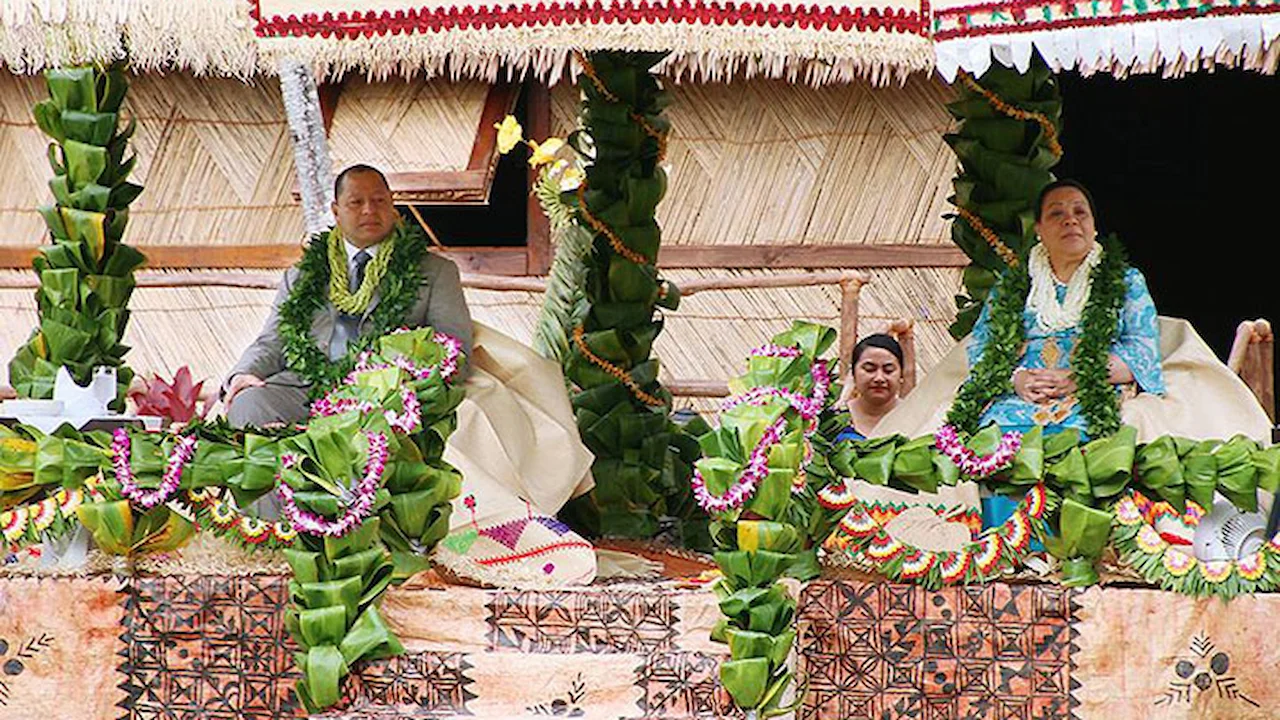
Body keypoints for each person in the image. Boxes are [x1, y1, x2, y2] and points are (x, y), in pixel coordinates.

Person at [222, 165, 473, 428]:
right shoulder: (301, 275)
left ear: (392, 206)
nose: (369, 210)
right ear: (336, 211)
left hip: (384, 395)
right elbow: (272, 341)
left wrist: (401, 380)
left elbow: (455, 351)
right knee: (248, 404)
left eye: (379, 201)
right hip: (305, 387)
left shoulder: (435, 272)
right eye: (356, 202)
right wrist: (244, 373)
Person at [965, 178, 1163, 439]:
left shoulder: (1125, 280)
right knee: (989, 441)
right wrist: (1017, 379)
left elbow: (1143, 352)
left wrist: (1080, 376)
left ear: (1093, 227)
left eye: (1080, 212)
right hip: (1018, 400)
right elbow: (982, 347)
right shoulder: (1013, 284)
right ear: (1039, 229)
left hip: (1093, 394)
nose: (1070, 220)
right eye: (1057, 213)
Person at [837, 333, 907, 442]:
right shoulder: (834, 420)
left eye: (888, 370)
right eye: (869, 369)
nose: (879, 378)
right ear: (853, 374)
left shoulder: (916, 418)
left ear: (901, 374)